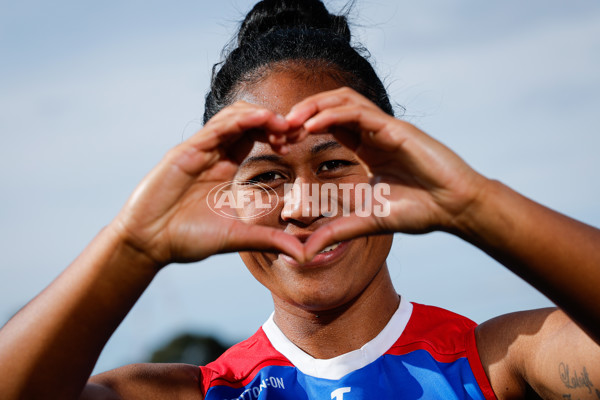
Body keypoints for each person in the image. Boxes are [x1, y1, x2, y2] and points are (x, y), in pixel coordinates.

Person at [1, 0, 599, 399]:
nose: (303, 204)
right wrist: (131, 244)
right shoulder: (198, 392)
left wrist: (475, 204)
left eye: (334, 163)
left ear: (394, 176)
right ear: (222, 202)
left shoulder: (498, 363)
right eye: (264, 178)